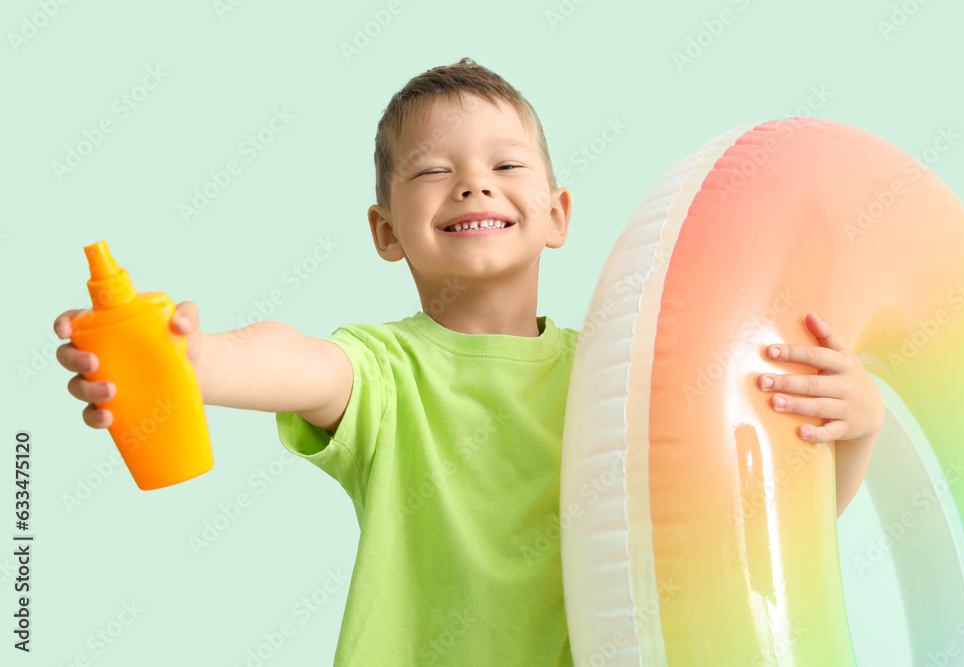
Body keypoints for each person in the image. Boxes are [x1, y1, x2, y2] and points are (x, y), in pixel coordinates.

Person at [52, 57, 884, 666]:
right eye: (433, 171)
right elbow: (299, 361)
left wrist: (857, 430)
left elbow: (752, 529)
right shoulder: (387, 370)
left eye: (506, 165)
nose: (474, 186)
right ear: (386, 231)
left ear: (556, 214)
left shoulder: (624, 376)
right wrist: (195, 361)